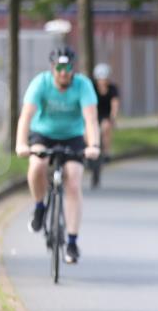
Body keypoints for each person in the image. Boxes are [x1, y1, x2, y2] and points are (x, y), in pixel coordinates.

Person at [15, 48, 100, 264]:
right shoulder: (40, 83)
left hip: (73, 136)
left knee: (73, 181)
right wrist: (21, 144)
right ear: (52, 68)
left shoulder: (83, 85)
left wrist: (93, 145)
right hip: (43, 134)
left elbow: (90, 119)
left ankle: (72, 242)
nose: (64, 72)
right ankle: (39, 207)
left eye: (68, 67)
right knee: (37, 165)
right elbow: (26, 116)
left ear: (73, 69)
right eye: (60, 68)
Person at [92, 63, 120, 161]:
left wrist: (113, 117)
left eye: (104, 78)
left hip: (106, 115)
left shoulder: (112, 89)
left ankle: (107, 152)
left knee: (106, 128)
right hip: (94, 114)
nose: (102, 81)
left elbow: (115, 104)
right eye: (100, 79)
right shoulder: (92, 88)